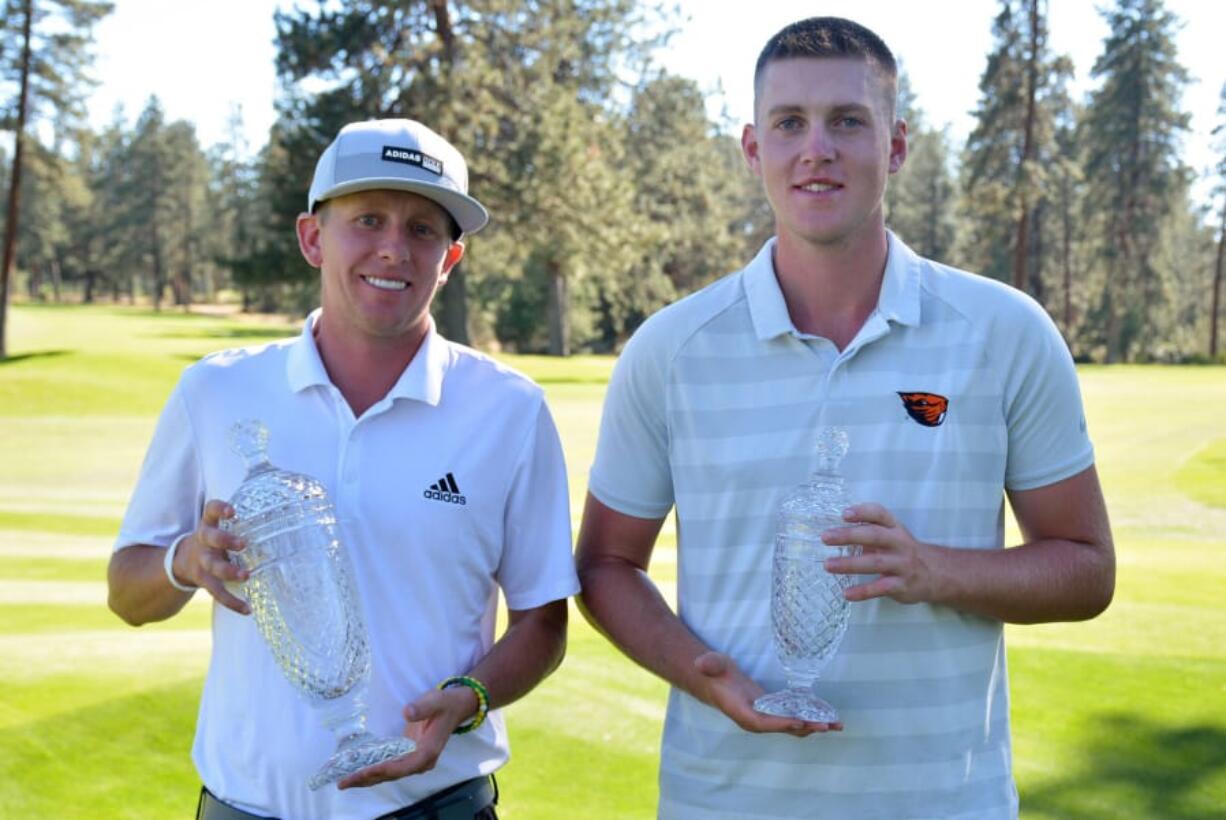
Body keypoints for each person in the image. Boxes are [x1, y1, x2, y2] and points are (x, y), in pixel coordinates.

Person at [576, 16, 1114, 820]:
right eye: (788, 123)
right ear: (753, 151)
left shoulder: (1005, 332)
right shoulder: (670, 350)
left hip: (945, 802)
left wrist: (938, 572)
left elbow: (1086, 568)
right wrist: (704, 672)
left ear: (896, 145)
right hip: (723, 803)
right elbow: (606, 567)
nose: (815, 148)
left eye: (848, 122)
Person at [107, 118, 578, 820]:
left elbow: (543, 623)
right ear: (312, 237)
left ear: (451, 258)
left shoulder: (509, 409)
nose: (394, 248)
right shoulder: (215, 390)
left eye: (424, 228)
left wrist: (471, 699)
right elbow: (126, 592)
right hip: (244, 807)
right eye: (367, 219)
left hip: (434, 806)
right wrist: (185, 562)